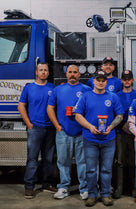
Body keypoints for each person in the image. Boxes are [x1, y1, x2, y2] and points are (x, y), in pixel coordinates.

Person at [75, 70, 124, 207]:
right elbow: (78, 115)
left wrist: (111, 126)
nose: (101, 82)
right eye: (98, 80)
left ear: (106, 82)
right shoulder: (85, 97)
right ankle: (92, 195)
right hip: (90, 139)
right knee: (91, 170)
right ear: (93, 81)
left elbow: (120, 115)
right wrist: (90, 126)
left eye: (103, 80)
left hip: (108, 139)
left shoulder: (113, 97)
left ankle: (105, 194)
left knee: (107, 169)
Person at [47, 65, 91, 200]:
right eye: (70, 72)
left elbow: (92, 109)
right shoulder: (58, 89)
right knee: (63, 161)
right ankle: (63, 187)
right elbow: (50, 108)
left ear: (80, 74)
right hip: (63, 132)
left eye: (75, 72)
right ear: (66, 74)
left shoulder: (87, 90)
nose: (72, 74)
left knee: (83, 162)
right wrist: (57, 126)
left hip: (81, 132)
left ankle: (84, 188)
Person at [18, 62, 57, 199]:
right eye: (41, 70)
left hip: (50, 129)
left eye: (46, 70)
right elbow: (21, 106)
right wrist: (28, 123)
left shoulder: (53, 88)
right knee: (32, 159)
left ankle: (47, 184)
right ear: (36, 72)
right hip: (35, 129)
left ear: (48, 73)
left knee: (48, 159)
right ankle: (29, 186)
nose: (43, 72)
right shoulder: (29, 88)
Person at [113, 70, 136, 199]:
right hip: (120, 132)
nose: (127, 81)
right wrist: (121, 125)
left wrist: (132, 127)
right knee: (120, 161)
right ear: (121, 81)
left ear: (132, 80)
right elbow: (113, 113)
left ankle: (134, 188)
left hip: (135, 133)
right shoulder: (116, 95)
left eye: (129, 79)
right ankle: (119, 188)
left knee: (134, 161)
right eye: (124, 79)